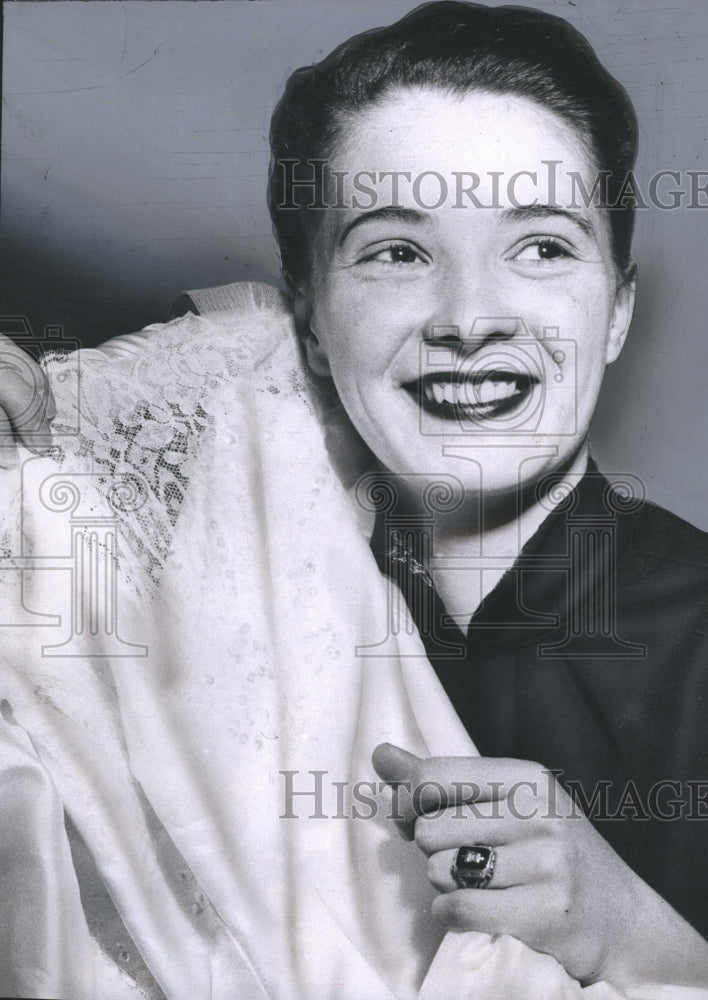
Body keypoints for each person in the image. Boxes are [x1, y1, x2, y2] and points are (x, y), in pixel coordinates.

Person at [0, 3, 706, 998]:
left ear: (618, 308)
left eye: (543, 246)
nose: (470, 317)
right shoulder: (227, 579)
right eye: (396, 252)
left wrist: (625, 925)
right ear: (313, 321)